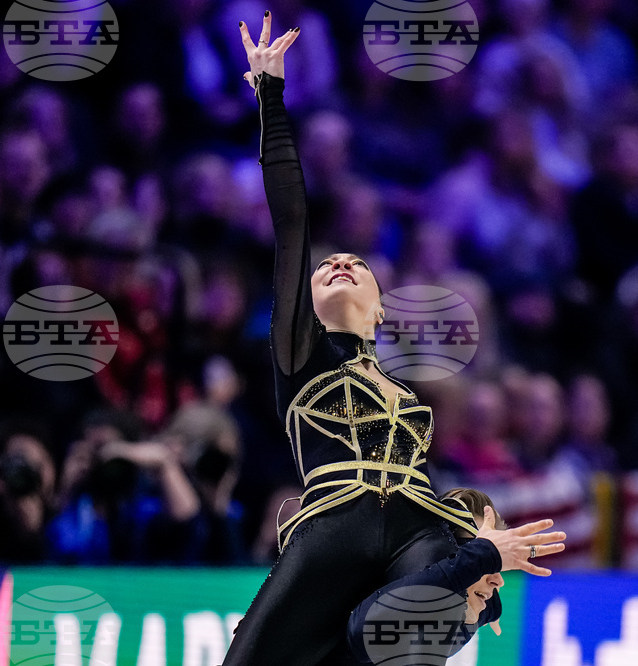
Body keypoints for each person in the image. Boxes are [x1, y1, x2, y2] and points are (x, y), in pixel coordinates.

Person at [222, 14, 565, 664]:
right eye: (326, 268)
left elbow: (429, 486)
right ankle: (470, 566)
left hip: (420, 527)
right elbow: (292, 218)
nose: (339, 265)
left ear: (381, 312)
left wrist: (477, 566)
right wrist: (270, 94)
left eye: (359, 266)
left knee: (380, 638)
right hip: (337, 521)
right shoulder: (302, 354)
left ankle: (474, 567)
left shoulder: (408, 397)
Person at [345, 488, 565, 664]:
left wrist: (490, 607)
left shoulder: (438, 626)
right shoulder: (385, 622)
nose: (498, 580)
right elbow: (363, 637)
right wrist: (484, 556)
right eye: (477, 554)